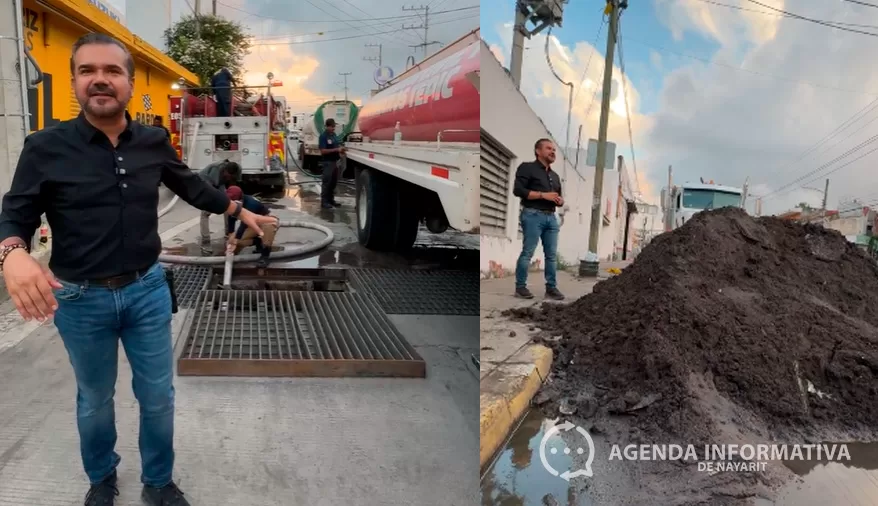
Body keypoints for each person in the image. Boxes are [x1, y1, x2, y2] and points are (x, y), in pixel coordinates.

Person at [0, 33, 276, 506]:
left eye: (112, 72)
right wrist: (12, 253)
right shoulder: (44, 147)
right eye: (88, 71)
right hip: (80, 300)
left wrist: (239, 210)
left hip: (146, 291)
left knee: (158, 397)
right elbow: (16, 213)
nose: (100, 80)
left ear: (128, 83)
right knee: (95, 399)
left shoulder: (152, 141)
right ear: (75, 82)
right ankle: (102, 478)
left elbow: (191, 186)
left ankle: (158, 483)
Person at [512, 138, 566, 301]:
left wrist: (560, 201)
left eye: (554, 150)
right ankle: (520, 287)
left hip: (551, 217)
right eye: (549, 148)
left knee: (551, 255)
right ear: (538, 151)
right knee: (528, 252)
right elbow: (518, 190)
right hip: (532, 215)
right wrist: (543, 195)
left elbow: (558, 196)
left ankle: (551, 288)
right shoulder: (527, 168)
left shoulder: (555, 176)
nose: (553, 152)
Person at [224, 186, 279, 267]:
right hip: (252, 224)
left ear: (240, 200)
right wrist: (230, 241)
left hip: (265, 220)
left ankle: (265, 255)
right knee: (235, 241)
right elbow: (231, 222)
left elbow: (243, 225)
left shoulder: (251, 203)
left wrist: (235, 239)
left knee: (268, 228)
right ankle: (258, 241)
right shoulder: (232, 204)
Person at [197, 160, 241, 244]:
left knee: (228, 206)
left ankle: (229, 233)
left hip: (219, 183)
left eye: (231, 177)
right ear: (224, 170)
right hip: (205, 181)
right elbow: (212, 191)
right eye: (227, 176)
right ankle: (205, 238)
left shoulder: (238, 169)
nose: (229, 178)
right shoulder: (215, 170)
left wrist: (235, 200)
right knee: (205, 212)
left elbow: (235, 185)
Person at [318, 118, 345, 209]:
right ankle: (324, 202)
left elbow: (337, 145)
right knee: (327, 182)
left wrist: (340, 150)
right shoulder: (323, 136)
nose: (333, 128)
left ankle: (331, 200)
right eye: (332, 127)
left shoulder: (334, 135)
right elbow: (323, 151)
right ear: (327, 126)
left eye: (334, 126)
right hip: (328, 162)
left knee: (333, 182)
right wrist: (336, 150)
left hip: (335, 162)